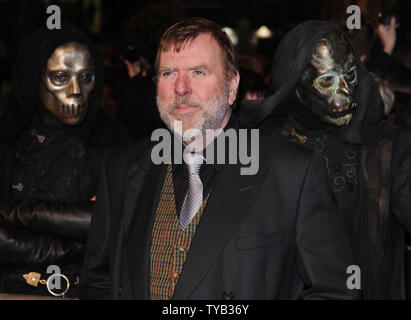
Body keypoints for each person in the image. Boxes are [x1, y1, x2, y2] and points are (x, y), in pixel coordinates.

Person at [79, 17, 358, 300]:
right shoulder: (121, 169)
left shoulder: (291, 175)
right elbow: (97, 281)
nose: (181, 88)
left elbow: (336, 292)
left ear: (232, 85)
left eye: (199, 72)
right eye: (168, 73)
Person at [238, 20, 411, 300]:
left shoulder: (389, 146)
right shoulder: (262, 144)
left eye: (350, 76)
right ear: (296, 84)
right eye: (327, 80)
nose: (344, 91)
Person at [0, 24, 131, 298]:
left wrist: (13, 212)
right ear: (34, 78)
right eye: (60, 77)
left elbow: (114, 221)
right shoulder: (9, 139)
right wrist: (76, 236)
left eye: (86, 77)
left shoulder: (110, 138)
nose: (76, 91)